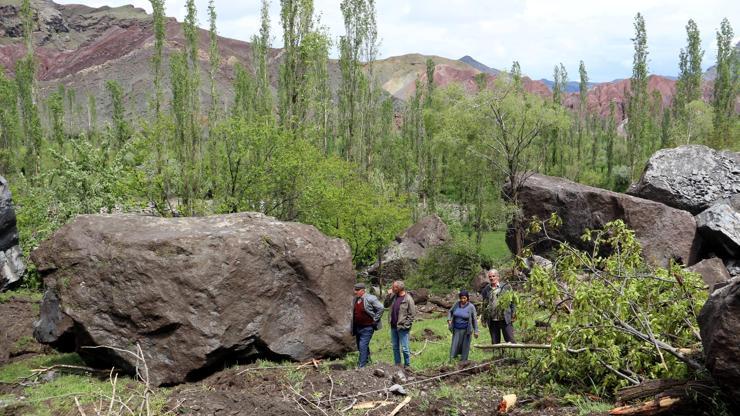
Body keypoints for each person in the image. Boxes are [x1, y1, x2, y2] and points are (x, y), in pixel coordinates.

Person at [383, 280, 417, 368]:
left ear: (399, 288)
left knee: (405, 348)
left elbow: (412, 314)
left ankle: (407, 366)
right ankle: (397, 364)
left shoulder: (408, 299)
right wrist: (388, 295)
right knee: (395, 347)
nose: (392, 288)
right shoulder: (393, 296)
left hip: (402, 327)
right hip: (393, 326)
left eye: (394, 287)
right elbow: (385, 305)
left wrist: (406, 326)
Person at [351, 282, 384, 367]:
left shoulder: (370, 298)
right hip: (358, 327)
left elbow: (381, 308)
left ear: (363, 290)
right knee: (361, 346)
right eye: (355, 290)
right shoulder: (356, 299)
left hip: (368, 327)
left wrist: (375, 320)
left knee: (362, 346)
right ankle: (369, 362)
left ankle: (362, 366)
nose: (355, 292)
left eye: (357, 290)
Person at [480, 268, 516, 344]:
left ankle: (513, 354)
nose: (491, 278)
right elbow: (484, 305)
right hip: (493, 319)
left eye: (493, 276)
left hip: (505, 318)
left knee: (510, 340)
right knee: (495, 342)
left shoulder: (506, 287)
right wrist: (483, 319)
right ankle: (497, 355)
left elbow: (513, 301)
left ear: (498, 277)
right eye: (490, 276)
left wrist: (513, 314)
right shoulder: (486, 289)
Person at [447, 290, 479, 362]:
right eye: (461, 298)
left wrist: (476, 331)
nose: (462, 300)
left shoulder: (471, 307)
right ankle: (452, 360)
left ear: (467, 298)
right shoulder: (456, 304)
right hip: (456, 329)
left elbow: (474, 319)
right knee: (454, 346)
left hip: (466, 330)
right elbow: (450, 311)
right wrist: (449, 320)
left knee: (465, 346)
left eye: (464, 298)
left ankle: (464, 361)